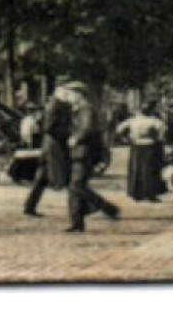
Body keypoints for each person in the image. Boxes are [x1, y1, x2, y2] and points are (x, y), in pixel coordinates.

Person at [64, 81, 120, 232]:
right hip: (78, 151)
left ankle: (107, 207)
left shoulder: (86, 109)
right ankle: (77, 222)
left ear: (78, 94)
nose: (68, 97)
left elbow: (87, 128)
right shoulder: (79, 109)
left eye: (69, 94)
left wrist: (76, 138)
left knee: (76, 186)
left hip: (84, 151)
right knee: (75, 187)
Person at [23, 85, 73, 218]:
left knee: (41, 178)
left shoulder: (56, 105)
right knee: (70, 177)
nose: (68, 96)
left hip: (50, 146)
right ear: (60, 92)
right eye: (66, 92)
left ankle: (29, 206)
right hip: (54, 146)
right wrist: (68, 134)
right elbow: (50, 127)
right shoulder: (55, 106)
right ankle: (91, 206)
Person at [115, 102, 168, 202]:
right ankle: (150, 194)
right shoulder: (153, 121)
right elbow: (163, 129)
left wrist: (125, 138)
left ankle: (136, 193)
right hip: (149, 145)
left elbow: (119, 129)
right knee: (149, 170)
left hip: (136, 146)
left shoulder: (133, 120)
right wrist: (159, 138)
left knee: (136, 170)